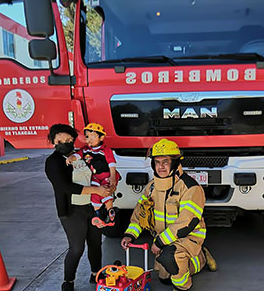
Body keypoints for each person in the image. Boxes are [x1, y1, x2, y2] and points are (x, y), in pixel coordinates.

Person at [120, 139, 217, 291]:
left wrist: (159, 242)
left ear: (176, 163)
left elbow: (186, 223)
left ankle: (183, 287)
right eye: (157, 162)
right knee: (165, 278)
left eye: (166, 162)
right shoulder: (152, 187)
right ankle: (200, 257)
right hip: (165, 241)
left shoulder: (190, 188)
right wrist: (130, 235)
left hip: (187, 237)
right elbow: (140, 214)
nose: (161, 166)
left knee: (171, 259)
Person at [45, 124, 115, 291]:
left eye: (69, 140)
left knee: (95, 243)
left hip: (92, 207)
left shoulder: (84, 153)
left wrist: (108, 183)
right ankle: (68, 281)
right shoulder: (53, 162)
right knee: (77, 248)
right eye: (60, 140)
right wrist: (96, 190)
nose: (65, 143)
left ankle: (95, 273)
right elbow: (65, 187)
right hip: (71, 211)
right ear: (53, 142)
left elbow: (101, 168)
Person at [66, 122, 120, 228]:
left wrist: (113, 176)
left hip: (106, 176)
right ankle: (99, 216)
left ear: (101, 137)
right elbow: (78, 155)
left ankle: (110, 214)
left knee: (106, 192)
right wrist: (71, 158)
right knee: (94, 194)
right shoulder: (85, 150)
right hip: (95, 177)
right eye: (87, 136)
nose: (89, 139)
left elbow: (111, 163)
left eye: (93, 136)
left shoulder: (105, 150)